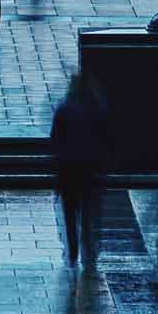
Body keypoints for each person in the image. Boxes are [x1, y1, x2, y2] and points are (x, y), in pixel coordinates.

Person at [49, 74, 107, 269]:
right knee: (89, 212)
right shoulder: (97, 109)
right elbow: (105, 138)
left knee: (70, 214)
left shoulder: (64, 109)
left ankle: (73, 251)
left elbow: (55, 140)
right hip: (90, 168)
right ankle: (89, 248)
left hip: (68, 169)